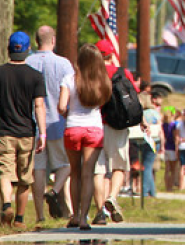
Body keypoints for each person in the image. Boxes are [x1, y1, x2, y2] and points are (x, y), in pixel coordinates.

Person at [0, 31, 47, 229]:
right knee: (24, 176)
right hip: (26, 132)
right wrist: (43, 133)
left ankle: (7, 204)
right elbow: (39, 106)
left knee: (5, 173)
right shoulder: (35, 76)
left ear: (8, 49)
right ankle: (20, 219)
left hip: (4, 131)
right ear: (28, 49)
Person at [58, 43, 112, 230]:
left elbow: (61, 107)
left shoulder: (69, 79)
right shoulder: (103, 82)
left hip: (73, 128)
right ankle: (84, 219)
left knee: (75, 173)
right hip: (94, 130)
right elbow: (103, 103)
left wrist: (69, 114)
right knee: (88, 173)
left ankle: (74, 215)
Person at [26, 25, 74, 222]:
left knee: (38, 171)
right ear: (53, 41)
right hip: (58, 123)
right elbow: (71, 93)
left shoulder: (27, 62)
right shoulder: (64, 64)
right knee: (66, 165)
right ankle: (57, 195)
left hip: (33, 125)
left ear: (36, 41)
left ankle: (39, 216)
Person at [95, 38, 138, 224]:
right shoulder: (123, 73)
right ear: (112, 54)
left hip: (95, 125)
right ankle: (112, 197)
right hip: (117, 126)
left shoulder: (92, 74)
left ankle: (100, 212)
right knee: (119, 167)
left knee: (99, 171)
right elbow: (135, 95)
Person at [139, 93, 163, 198]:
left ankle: (147, 192)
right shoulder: (155, 113)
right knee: (148, 166)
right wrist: (162, 144)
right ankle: (150, 192)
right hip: (155, 140)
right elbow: (160, 130)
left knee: (146, 166)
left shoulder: (142, 114)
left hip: (143, 140)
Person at [161, 106, 179, 191]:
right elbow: (176, 138)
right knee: (173, 169)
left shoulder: (163, 125)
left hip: (166, 147)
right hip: (172, 148)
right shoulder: (174, 125)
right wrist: (177, 149)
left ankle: (166, 186)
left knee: (166, 169)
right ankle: (170, 187)